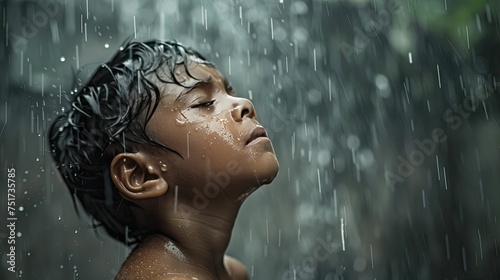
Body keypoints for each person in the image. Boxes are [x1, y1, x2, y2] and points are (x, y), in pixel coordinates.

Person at [48, 39, 279, 279]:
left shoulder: (231, 273)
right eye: (204, 103)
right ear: (140, 175)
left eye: (229, 92)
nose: (244, 104)